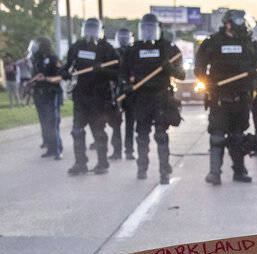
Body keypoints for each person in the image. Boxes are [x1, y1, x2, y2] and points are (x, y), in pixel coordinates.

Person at [195, 9, 257, 185]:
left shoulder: (250, 45)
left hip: (241, 97)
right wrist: (208, 82)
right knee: (217, 136)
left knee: (237, 136)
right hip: (220, 97)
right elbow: (199, 67)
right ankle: (214, 173)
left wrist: (254, 74)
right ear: (229, 24)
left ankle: (239, 171)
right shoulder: (213, 42)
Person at [121, 13, 184, 182]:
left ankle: (164, 171)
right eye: (145, 28)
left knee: (161, 135)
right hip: (141, 99)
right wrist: (126, 85)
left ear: (157, 29)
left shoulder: (167, 48)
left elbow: (182, 75)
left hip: (161, 97)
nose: (148, 32)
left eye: (151, 28)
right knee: (142, 136)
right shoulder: (133, 50)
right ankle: (142, 168)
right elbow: (123, 73)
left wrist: (169, 68)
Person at [63, 17, 118, 176]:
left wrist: (102, 70)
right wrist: (65, 73)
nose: (91, 32)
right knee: (77, 131)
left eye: (94, 29)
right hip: (80, 97)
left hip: (99, 98)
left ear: (99, 31)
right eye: (88, 28)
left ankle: (102, 162)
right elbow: (68, 67)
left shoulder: (107, 49)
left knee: (98, 131)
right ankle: (80, 163)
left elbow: (118, 72)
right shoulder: (77, 47)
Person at [28, 37, 63, 160]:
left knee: (52, 122)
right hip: (39, 95)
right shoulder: (37, 60)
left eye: (38, 45)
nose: (36, 48)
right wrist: (30, 84)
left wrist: (46, 79)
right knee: (44, 123)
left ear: (44, 45)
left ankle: (58, 149)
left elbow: (60, 77)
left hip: (52, 94)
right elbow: (35, 77)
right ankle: (50, 147)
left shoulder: (54, 59)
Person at [107, 27, 133, 161]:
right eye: (121, 36)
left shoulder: (133, 52)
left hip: (131, 91)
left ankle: (129, 150)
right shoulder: (113, 53)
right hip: (117, 90)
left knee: (130, 122)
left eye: (126, 36)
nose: (123, 39)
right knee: (116, 122)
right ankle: (117, 150)